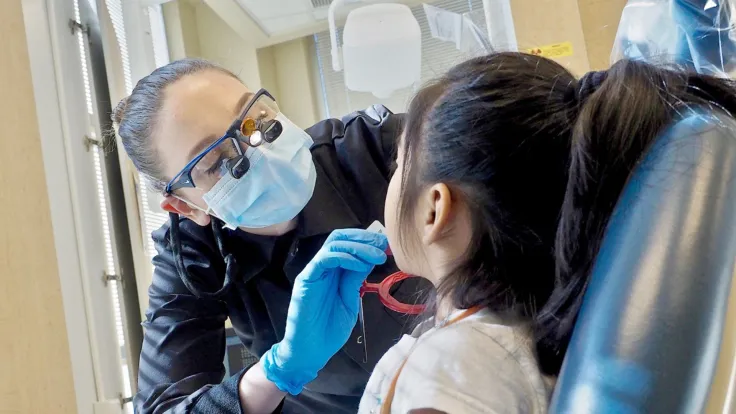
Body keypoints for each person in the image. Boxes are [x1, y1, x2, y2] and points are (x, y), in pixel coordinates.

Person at [230, 52, 736, 414]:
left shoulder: (453, 368)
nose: (388, 177)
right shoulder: (508, 335)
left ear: (435, 210)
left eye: (398, 161)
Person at [113, 58, 424, 413]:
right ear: (186, 208)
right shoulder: (192, 253)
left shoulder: (376, 147)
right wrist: (280, 369)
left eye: (256, 120)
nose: (256, 149)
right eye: (216, 162)